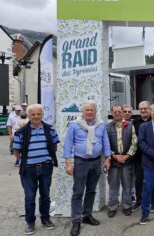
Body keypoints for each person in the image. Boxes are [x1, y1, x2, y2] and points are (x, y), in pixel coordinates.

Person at [63, 100, 111, 236]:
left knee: (91, 191)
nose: (89, 112)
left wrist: (107, 158)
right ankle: (76, 221)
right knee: (78, 192)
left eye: (92, 110)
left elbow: (105, 142)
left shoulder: (101, 125)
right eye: (87, 110)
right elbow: (67, 145)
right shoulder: (74, 125)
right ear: (82, 112)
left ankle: (87, 215)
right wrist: (68, 163)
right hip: (80, 162)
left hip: (96, 162)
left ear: (95, 112)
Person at [13, 104, 60, 235]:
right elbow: (16, 151)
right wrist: (26, 161)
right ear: (28, 115)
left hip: (45, 168)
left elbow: (54, 146)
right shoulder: (21, 132)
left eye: (38, 114)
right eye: (33, 114)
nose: (36, 116)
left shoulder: (50, 129)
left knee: (45, 195)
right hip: (28, 170)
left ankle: (45, 219)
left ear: (42, 115)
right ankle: (30, 222)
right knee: (29, 197)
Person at [106, 105, 137, 218]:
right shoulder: (107, 127)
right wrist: (114, 156)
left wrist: (127, 155)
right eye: (115, 111)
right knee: (113, 185)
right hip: (114, 162)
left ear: (123, 113)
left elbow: (134, 142)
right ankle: (112, 207)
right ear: (112, 113)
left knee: (127, 185)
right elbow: (105, 145)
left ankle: (127, 206)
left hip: (127, 161)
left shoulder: (130, 125)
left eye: (120, 111)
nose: (118, 113)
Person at [132, 101, 154, 212]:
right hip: (138, 157)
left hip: (151, 157)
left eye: (145, 108)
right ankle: (139, 201)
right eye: (141, 109)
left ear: (149, 109)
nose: (143, 110)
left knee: (152, 181)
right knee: (138, 180)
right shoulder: (135, 122)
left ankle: (153, 202)